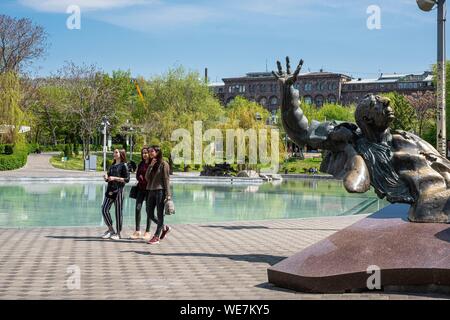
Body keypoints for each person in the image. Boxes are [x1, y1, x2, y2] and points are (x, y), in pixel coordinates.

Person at [100, 149, 130, 240]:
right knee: (104, 209)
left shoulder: (124, 165)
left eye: (116, 152)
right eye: (114, 152)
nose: (114, 153)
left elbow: (127, 179)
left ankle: (118, 233)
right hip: (110, 191)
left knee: (118, 212)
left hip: (119, 191)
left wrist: (115, 178)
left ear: (121, 154)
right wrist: (106, 178)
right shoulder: (112, 165)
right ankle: (110, 229)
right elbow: (109, 178)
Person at [145, 145, 172, 245]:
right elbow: (147, 178)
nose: (150, 153)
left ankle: (156, 237)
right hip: (151, 190)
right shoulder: (152, 163)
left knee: (160, 214)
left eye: (152, 151)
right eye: (149, 151)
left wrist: (168, 194)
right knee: (149, 212)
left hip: (160, 191)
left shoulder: (164, 164)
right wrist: (150, 165)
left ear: (157, 152)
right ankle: (165, 227)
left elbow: (166, 179)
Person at [130, 147, 152, 240]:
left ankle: (147, 231)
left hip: (149, 190)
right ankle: (137, 231)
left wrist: (146, 179)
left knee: (148, 210)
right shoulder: (141, 163)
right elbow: (137, 174)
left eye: (146, 153)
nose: (145, 154)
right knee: (138, 208)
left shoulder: (152, 163)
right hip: (140, 189)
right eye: (143, 153)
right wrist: (140, 177)